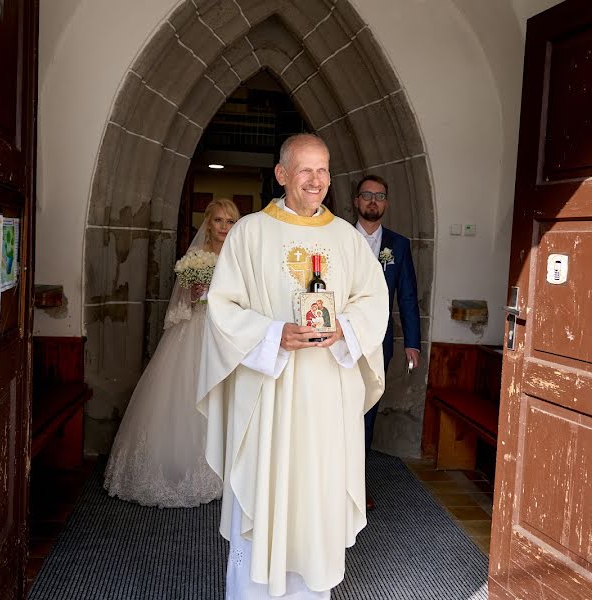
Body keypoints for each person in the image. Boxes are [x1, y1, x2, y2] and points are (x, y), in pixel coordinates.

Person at [198, 134, 389, 598]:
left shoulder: (346, 238)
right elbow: (222, 308)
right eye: (305, 169)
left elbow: (373, 301)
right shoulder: (249, 234)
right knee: (267, 494)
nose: (316, 180)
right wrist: (272, 335)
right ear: (282, 175)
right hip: (270, 396)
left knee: (315, 497)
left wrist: (345, 327)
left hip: (327, 395)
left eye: (323, 169)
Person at [104, 198, 240, 507]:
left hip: (228, 335)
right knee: (188, 397)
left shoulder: (240, 257)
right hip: (197, 332)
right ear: (208, 223)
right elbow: (180, 307)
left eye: (230, 221)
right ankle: (183, 469)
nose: (223, 227)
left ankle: (232, 472)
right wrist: (193, 296)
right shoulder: (196, 257)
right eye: (218, 220)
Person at [353, 175, 422, 509]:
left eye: (379, 196)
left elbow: (407, 296)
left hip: (379, 343)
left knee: (367, 413)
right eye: (367, 195)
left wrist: (413, 342)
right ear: (356, 201)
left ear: (387, 203)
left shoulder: (398, 245)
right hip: (339, 341)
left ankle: (356, 486)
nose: (373, 201)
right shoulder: (338, 237)